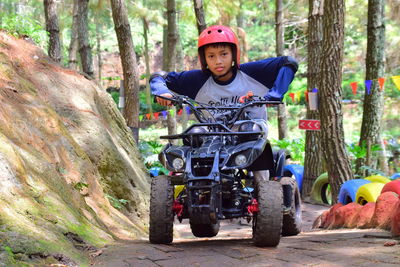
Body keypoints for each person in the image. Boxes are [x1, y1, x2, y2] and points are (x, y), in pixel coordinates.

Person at [149, 25, 298, 121]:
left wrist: (275, 95)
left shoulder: (252, 72)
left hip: (252, 136)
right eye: (211, 56)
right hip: (213, 139)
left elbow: (289, 62)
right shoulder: (197, 80)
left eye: (224, 54)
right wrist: (161, 91)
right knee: (192, 139)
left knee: (261, 167)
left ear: (234, 54)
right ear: (204, 59)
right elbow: (159, 76)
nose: (218, 61)